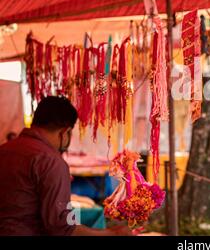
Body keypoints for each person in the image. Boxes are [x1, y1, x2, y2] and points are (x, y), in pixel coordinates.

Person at [0, 96, 132, 236]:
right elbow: (62, 227)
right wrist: (110, 234)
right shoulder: (51, 161)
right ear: (65, 132)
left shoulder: (4, 150)